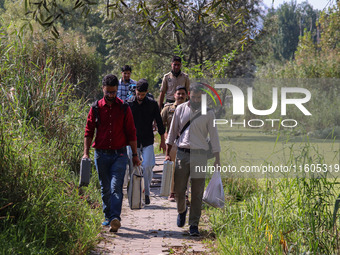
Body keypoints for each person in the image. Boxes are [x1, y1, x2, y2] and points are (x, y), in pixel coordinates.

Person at [83, 74, 140, 233]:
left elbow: (131, 132)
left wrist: (135, 155)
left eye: (113, 92)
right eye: (108, 92)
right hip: (100, 155)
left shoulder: (124, 108)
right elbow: (89, 131)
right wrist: (86, 153)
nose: (110, 95)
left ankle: (115, 217)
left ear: (117, 90)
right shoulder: (95, 108)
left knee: (116, 187)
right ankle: (108, 217)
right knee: (105, 188)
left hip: (119, 155)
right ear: (103, 89)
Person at [165, 83, 221, 236]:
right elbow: (171, 132)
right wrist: (168, 152)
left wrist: (217, 159)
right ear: (189, 94)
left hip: (200, 155)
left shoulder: (209, 113)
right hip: (182, 154)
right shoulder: (180, 109)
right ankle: (181, 210)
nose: (196, 99)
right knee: (179, 189)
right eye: (194, 96)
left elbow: (214, 137)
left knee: (197, 192)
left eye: (199, 97)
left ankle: (193, 224)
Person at [127, 78, 166, 205]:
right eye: (138, 94)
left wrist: (162, 140)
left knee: (148, 165)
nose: (140, 96)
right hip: (132, 141)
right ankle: (134, 192)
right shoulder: (128, 104)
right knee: (133, 167)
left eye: (143, 94)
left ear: (146, 92)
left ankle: (147, 193)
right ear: (135, 91)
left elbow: (159, 122)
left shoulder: (152, 104)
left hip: (148, 139)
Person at [161, 85, 187, 202]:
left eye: (183, 94)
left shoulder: (191, 109)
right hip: (172, 143)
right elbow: (160, 123)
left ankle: (184, 193)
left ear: (187, 95)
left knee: (185, 169)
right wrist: (164, 138)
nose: (180, 96)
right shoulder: (168, 109)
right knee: (172, 168)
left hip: (186, 142)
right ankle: (172, 192)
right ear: (174, 95)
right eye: (178, 94)